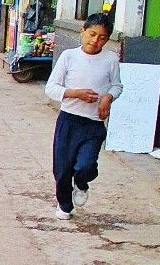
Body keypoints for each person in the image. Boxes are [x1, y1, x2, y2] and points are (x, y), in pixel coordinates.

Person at [44, 13, 122, 220]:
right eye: (92, 34)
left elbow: (117, 85)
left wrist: (108, 97)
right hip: (69, 120)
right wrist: (74, 93)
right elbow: (51, 88)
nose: (95, 41)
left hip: (94, 123)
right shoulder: (69, 56)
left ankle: (81, 183)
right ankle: (64, 205)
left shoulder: (111, 60)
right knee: (62, 168)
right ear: (83, 31)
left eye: (102, 38)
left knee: (85, 166)